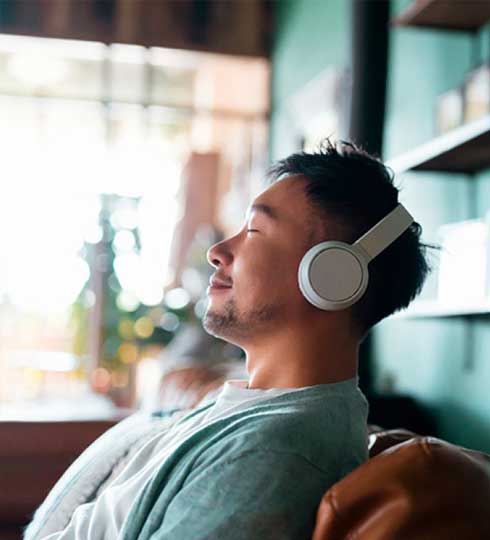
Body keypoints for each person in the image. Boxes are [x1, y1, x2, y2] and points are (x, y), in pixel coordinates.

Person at [25, 140, 430, 540]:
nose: (217, 252)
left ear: (332, 274)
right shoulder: (242, 409)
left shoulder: (277, 452)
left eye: (254, 229)